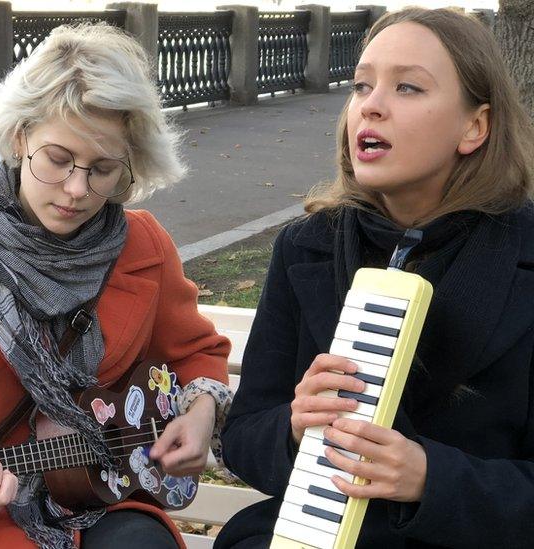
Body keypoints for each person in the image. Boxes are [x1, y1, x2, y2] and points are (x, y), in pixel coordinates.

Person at [0, 23, 233, 549]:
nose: (77, 190)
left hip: (107, 493)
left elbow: (194, 352)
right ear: (20, 137)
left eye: (103, 169)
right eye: (57, 160)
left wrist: (199, 415)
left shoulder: (143, 245)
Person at [216, 7, 534, 549]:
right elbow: (245, 439)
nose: (372, 105)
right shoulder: (304, 247)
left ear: (474, 126)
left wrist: (431, 479)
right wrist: (294, 427)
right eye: (361, 85)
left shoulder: (523, 255)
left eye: (407, 87)